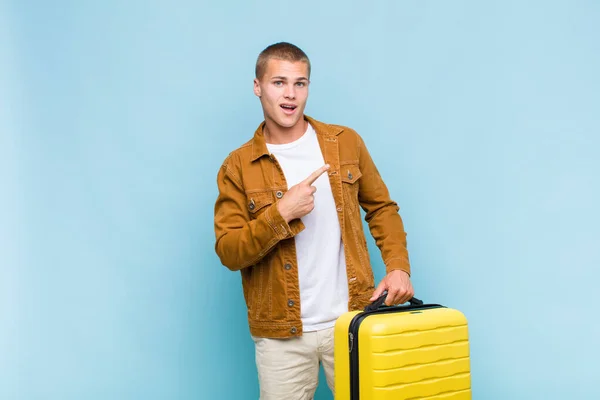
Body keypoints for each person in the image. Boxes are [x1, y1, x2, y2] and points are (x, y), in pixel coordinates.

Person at [213, 42, 414, 400]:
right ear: (258, 86)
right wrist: (281, 214)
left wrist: (399, 267)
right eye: (279, 82)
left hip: (352, 321)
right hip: (281, 335)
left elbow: (382, 208)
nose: (290, 94)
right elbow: (229, 251)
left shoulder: (344, 143)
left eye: (300, 83)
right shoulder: (238, 166)